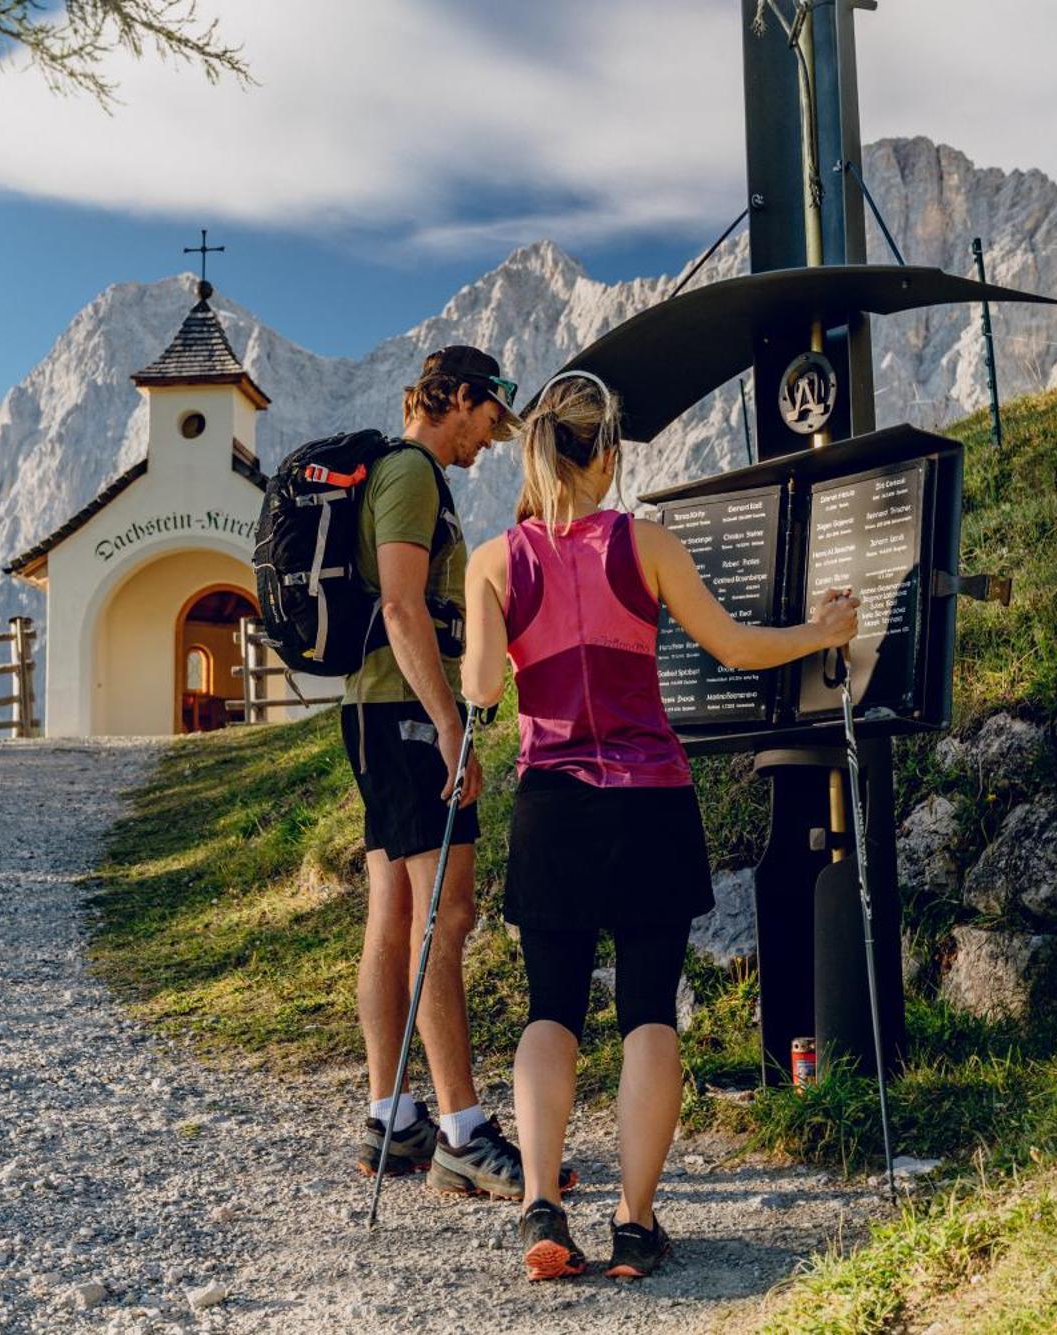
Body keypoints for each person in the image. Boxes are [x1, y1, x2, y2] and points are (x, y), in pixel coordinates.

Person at [461, 370, 860, 1282]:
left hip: (553, 804)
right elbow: (736, 647)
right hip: (649, 799)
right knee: (648, 1008)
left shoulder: (494, 560)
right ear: (608, 455)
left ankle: (539, 1207)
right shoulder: (645, 544)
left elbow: (483, 688)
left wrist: (494, 626)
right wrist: (822, 629)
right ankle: (636, 1225)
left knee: (550, 1007)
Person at [349, 345, 561, 1202]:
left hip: (377, 710)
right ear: (460, 398)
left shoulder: (397, 473)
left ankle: (392, 1119)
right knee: (449, 908)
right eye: (487, 421)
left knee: (396, 908)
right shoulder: (410, 474)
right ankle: (463, 1132)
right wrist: (448, 726)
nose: (488, 442)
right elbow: (402, 605)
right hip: (404, 713)